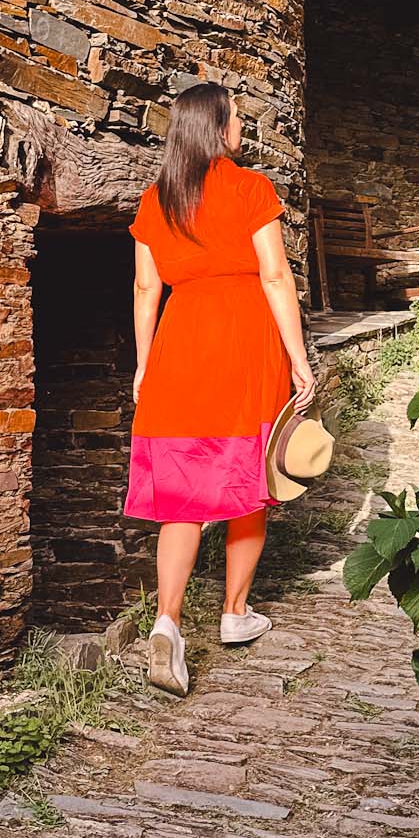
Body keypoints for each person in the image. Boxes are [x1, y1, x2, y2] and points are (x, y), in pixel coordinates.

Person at [125, 82, 317, 696]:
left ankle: (167, 622)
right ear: (216, 127)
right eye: (236, 117)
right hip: (244, 344)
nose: (242, 126)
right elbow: (275, 274)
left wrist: (142, 364)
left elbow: (145, 290)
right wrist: (299, 357)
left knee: (181, 495)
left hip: (178, 348)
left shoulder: (157, 200)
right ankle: (235, 613)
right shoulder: (250, 187)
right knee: (251, 478)